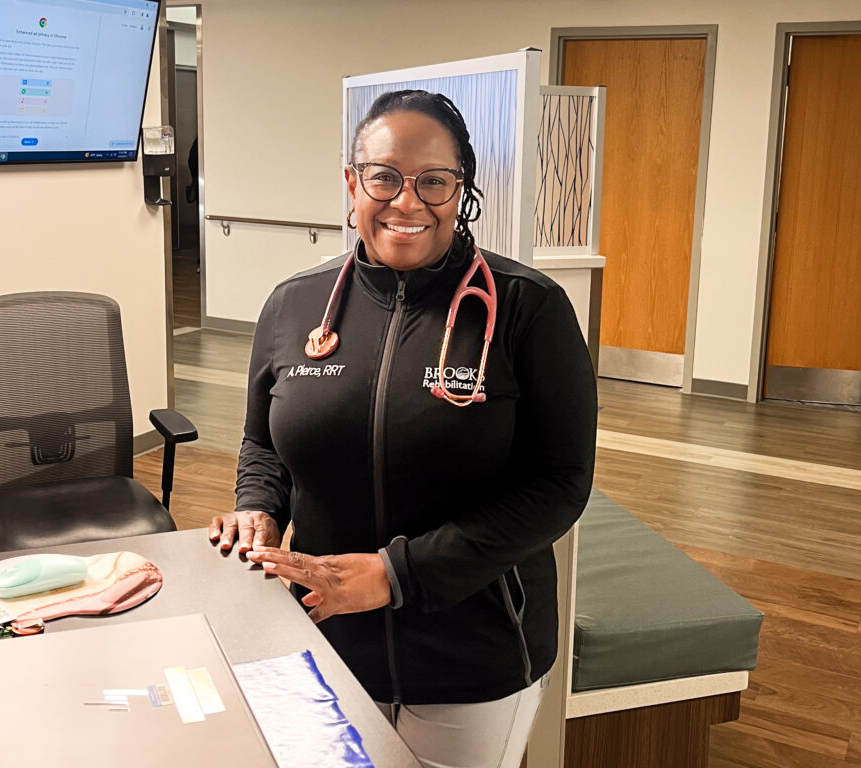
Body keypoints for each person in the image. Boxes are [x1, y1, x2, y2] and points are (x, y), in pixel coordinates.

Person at [208, 90, 597, 768]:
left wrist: (397, 573)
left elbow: (560, 484)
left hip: (474, 652)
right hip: (321, 631)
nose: (407, 201)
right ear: (352, 182)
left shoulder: (528, 310)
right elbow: (264, 443)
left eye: (434, 181)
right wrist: (257, 507)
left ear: (462, 191)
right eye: (384, 176)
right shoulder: (293, 303)